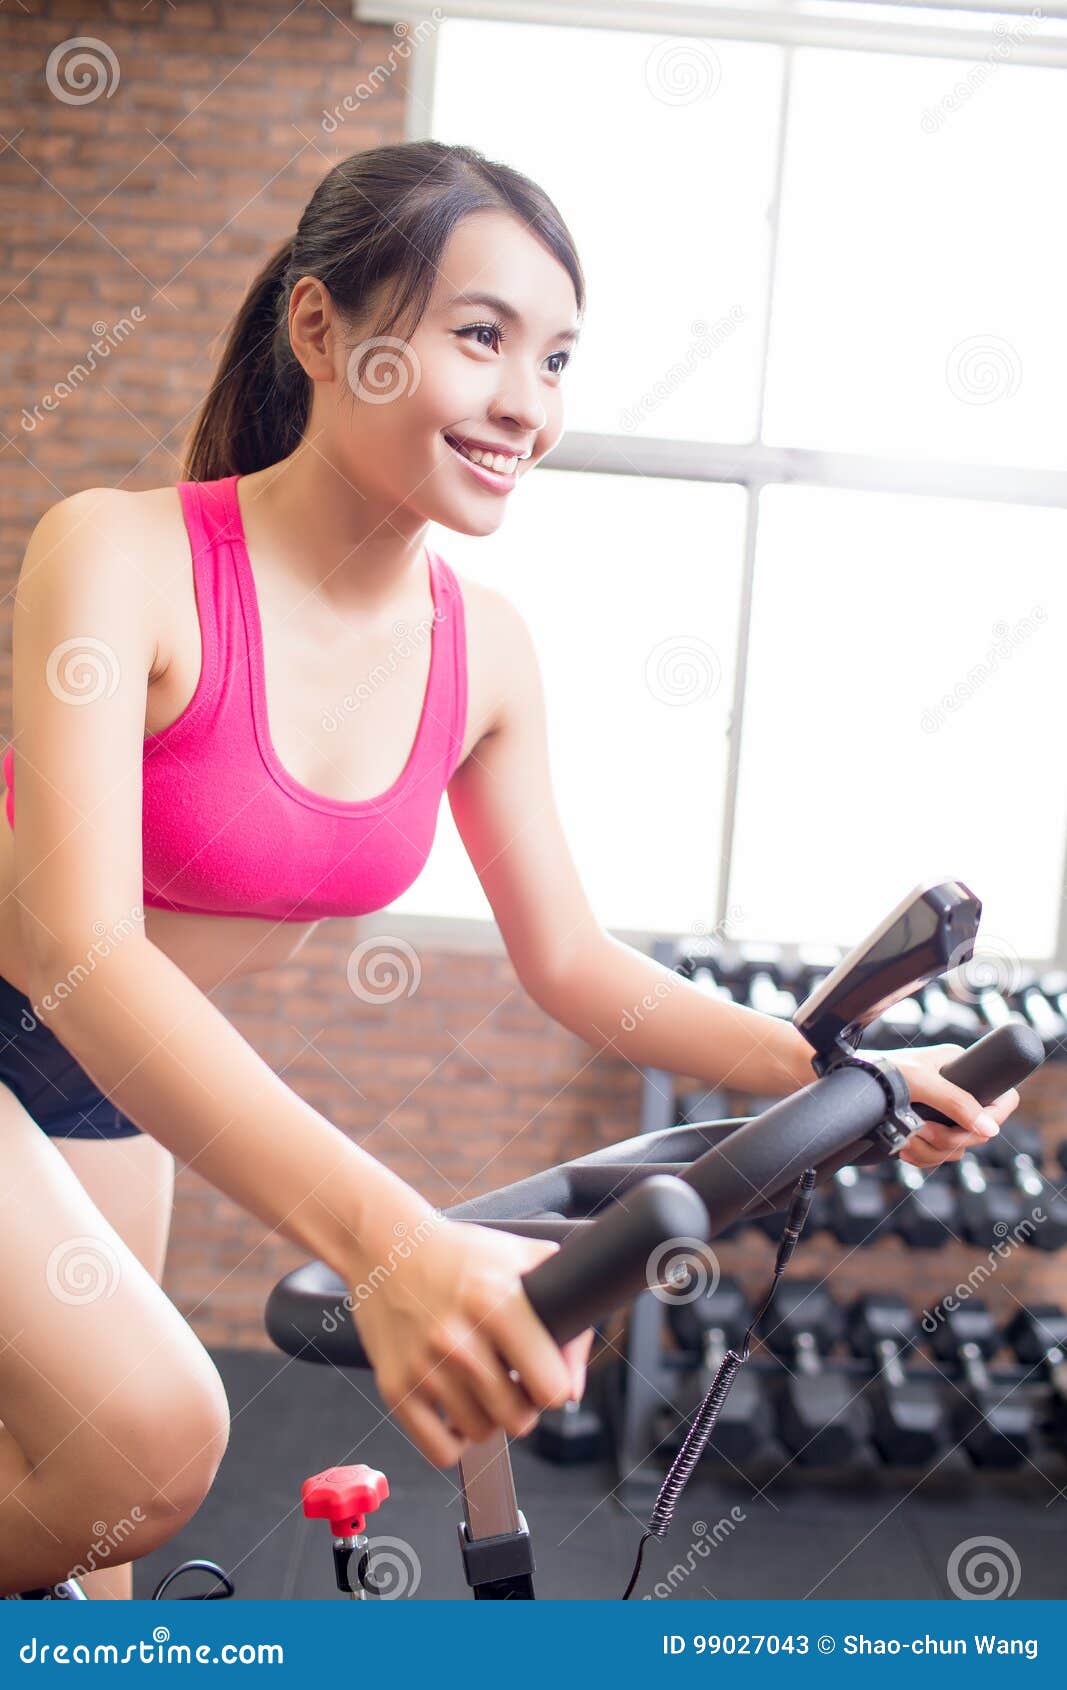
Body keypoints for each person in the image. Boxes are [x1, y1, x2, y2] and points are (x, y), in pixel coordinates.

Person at [0, 140, 1018, 1599]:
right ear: (322, 330)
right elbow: (79, 952)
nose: (527, 404)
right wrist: (392, 1244)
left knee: (84, 1571)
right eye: (482, 337)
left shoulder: (484, 650)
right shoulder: (120, 557)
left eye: (557, 358)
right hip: (43, 1007)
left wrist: (825, 1069)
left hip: (101, 1086)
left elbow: (574, 963)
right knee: (147, 1448)